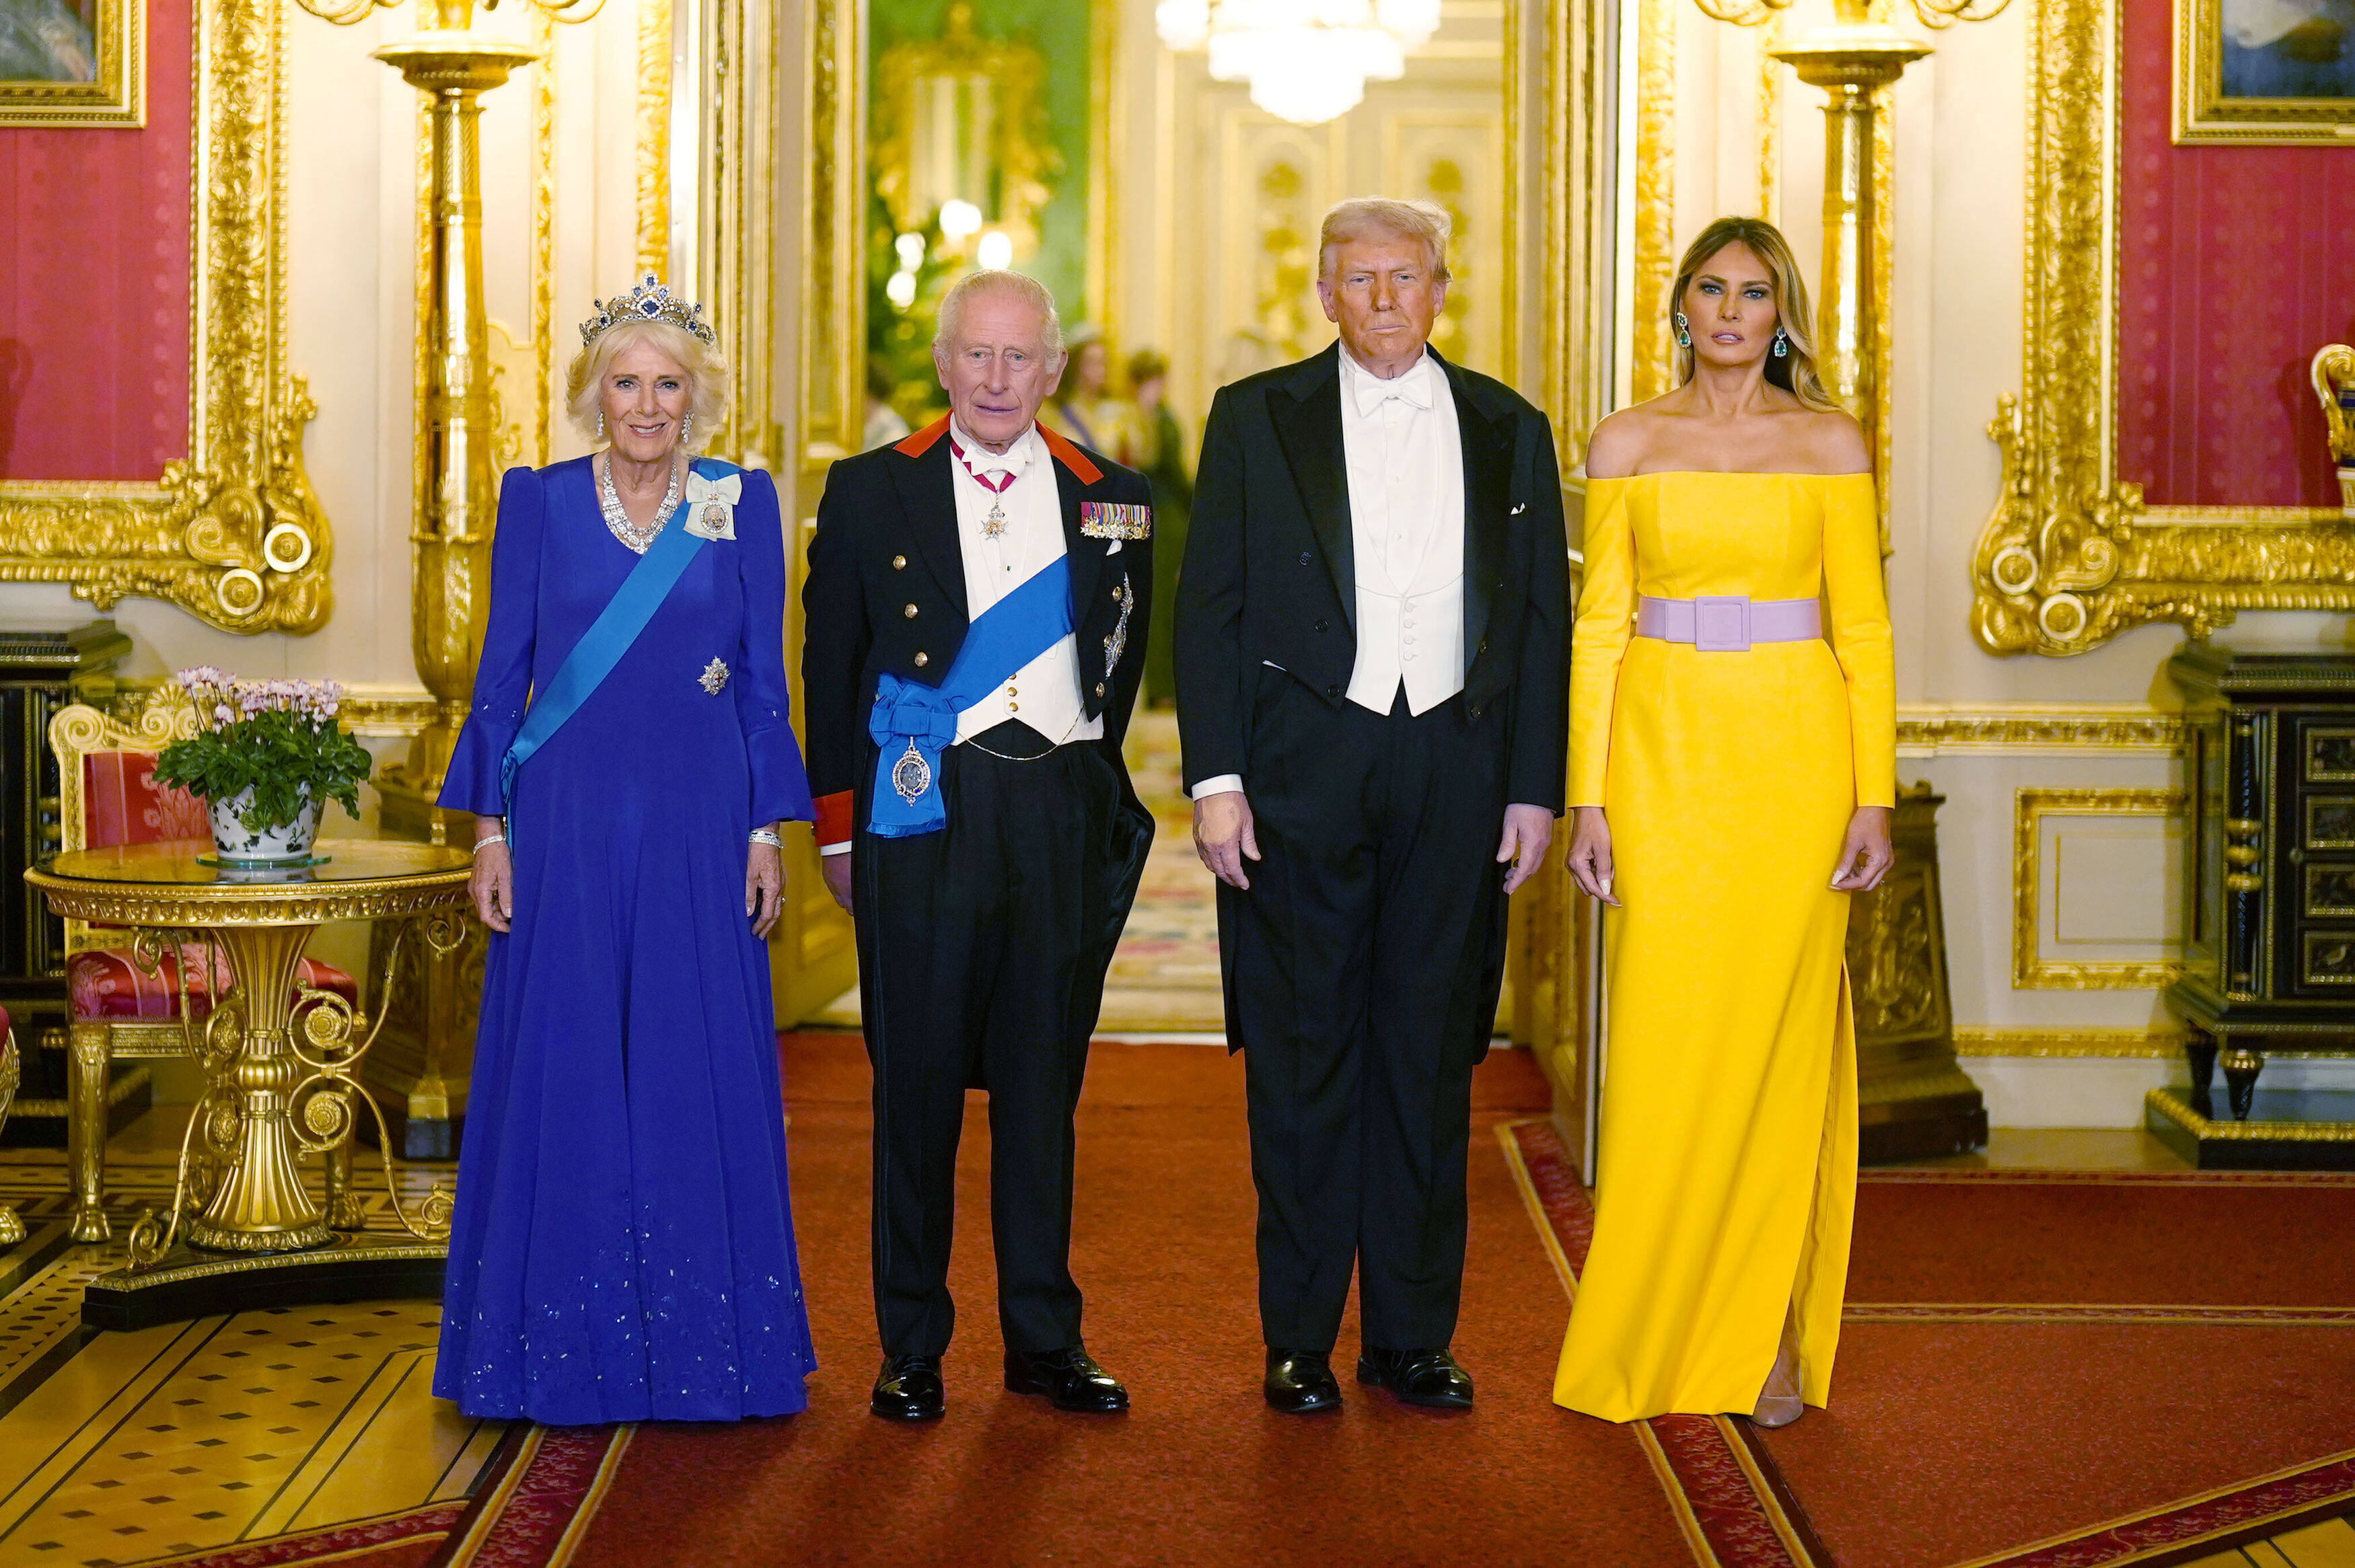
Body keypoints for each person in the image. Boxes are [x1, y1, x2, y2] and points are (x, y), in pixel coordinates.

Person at [1176, 197, 1570, 1415]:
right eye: (1361, 278)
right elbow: (1209, 605)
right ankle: (1298, 1338)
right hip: (1302, 766)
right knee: (1303, 1060)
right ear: (1325, 294)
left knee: (1429, 1057)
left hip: (1457, 767)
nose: (1386, 298)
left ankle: (1410, 1337)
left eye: (1407, 276)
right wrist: (1216, 780)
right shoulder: (1255, 416)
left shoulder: (1510, 425)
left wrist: (1534, 786)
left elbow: (1543, 621)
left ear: (1442, 289)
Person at [435, 276, 819, 1423]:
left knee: (690, 1065)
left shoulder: (738, 500)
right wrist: (489, 832)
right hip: (567, 822)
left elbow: (762, 686)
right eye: (626, 383)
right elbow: (500, 677)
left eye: (669, 385)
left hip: (700, 823)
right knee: (566, 1066)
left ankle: (705, 1350)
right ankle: (555, 1351)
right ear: (592, 394)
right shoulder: (539, 500)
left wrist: (763, 830)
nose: (648, 406)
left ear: (698, 398)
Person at [1551, 215, 1894, 1428]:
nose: (1732, 312)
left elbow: (1864, 630)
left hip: (1795, 766)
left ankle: (1767, 1343)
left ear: (1782, 312)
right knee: (1663, 1052)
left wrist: (1874, 792)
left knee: (1778, 1054)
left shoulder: (1831, 441)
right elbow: (1598, 628)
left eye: (1755, 293)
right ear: (1682, 307)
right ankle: (1649, 1328)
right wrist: (1588, 795)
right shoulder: (1626, 439)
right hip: (1661, 761)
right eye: (1712, 289)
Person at [801, 268, 1156, 1423]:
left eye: (1020, 357)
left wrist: (1086, 785)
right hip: (923, 808)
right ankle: (912, 1344)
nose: (998, 379)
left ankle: (1045, 1338)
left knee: (1042, 1086)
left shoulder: (1116, 499)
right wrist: (840, 827)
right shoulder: (870, 490)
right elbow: (829, 669)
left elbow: (1122, 659)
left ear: (1051, 370)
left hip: (1056, 805)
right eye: (978, 354)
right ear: (944, 364)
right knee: (915, 1088)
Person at [1127, 349, 1193, 709]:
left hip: (1167, 519)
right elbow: (1153, 463)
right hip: (1159, 518)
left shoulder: (1162, 416)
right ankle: (1159, 686)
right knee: (1156, 605)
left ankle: (1165, 685)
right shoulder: (1139, 416)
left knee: (1164, 604)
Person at [1044, 324, 1134, 462]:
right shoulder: (1055, 412)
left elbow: (1141, 456)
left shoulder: (1118, 410)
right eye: (1093, 362)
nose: (1101, 370)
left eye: (1104, 362)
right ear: (1076, 365)